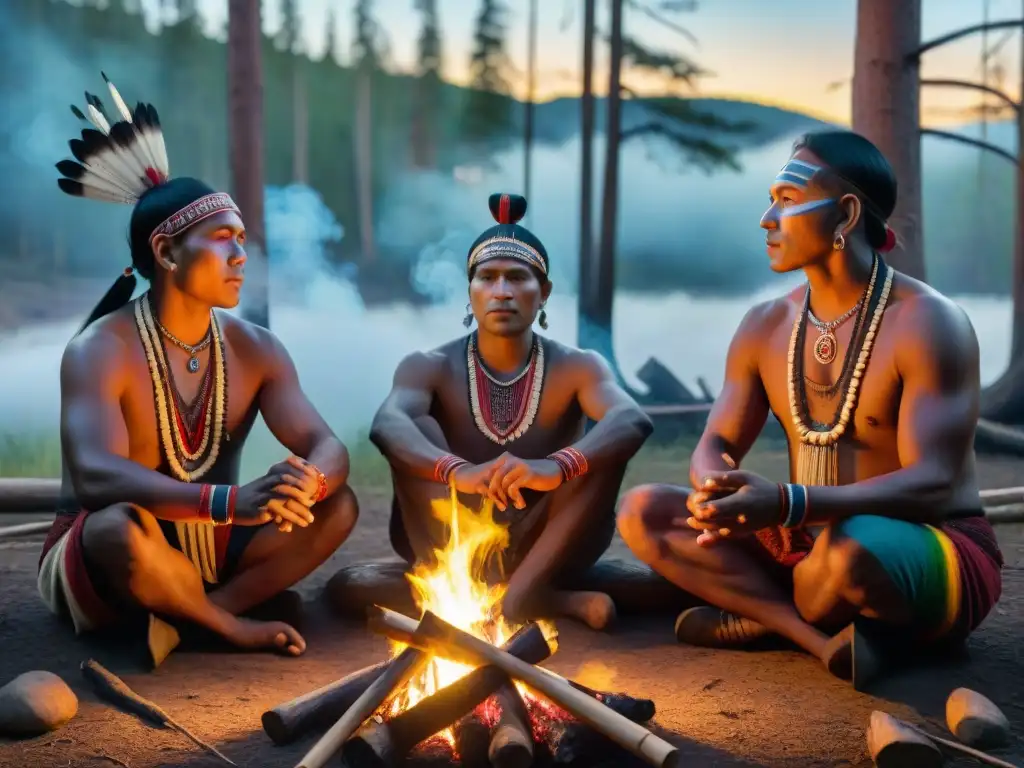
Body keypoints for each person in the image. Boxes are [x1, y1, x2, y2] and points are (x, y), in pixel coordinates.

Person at [616, 130, 1003, 688]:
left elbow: (935, 483)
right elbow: (715, 442)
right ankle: (812, 636)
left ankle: (769, 614)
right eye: (771, 199)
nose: (767, 219)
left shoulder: (928, 322)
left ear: (845, 215)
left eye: (789, 200)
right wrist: (712, 487)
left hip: (921, 544)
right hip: (804, 541)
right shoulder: (764, 326)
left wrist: (790, 502)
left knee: (849, 552)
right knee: (644, 511)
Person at [38, 76, 359, 665]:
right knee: (117, 527)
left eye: (242, 239)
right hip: (118, 551)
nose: (241, 255)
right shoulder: (98, 350)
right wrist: (230, 503)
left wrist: (304, 483)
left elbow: (326, 445)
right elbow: (95, 479)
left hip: (208, 549)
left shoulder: (256, 348)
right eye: (222, 240)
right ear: (165, 252)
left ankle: (202, 615)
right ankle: (228, 625)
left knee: (337, 505)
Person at [369, 193, 653, 630]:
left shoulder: (579, 367)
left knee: (602, 451)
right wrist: (457, 471)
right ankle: (545, 601)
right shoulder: (428, 365)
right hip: (451, 539)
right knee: (414, 426)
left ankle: (515, 600)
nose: (501, 291)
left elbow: (631, 418)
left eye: (517, 278)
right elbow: (387, 424)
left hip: (550, 542)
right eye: (487, 277)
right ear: (470, 292)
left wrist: (554, 466)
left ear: (544, 293)